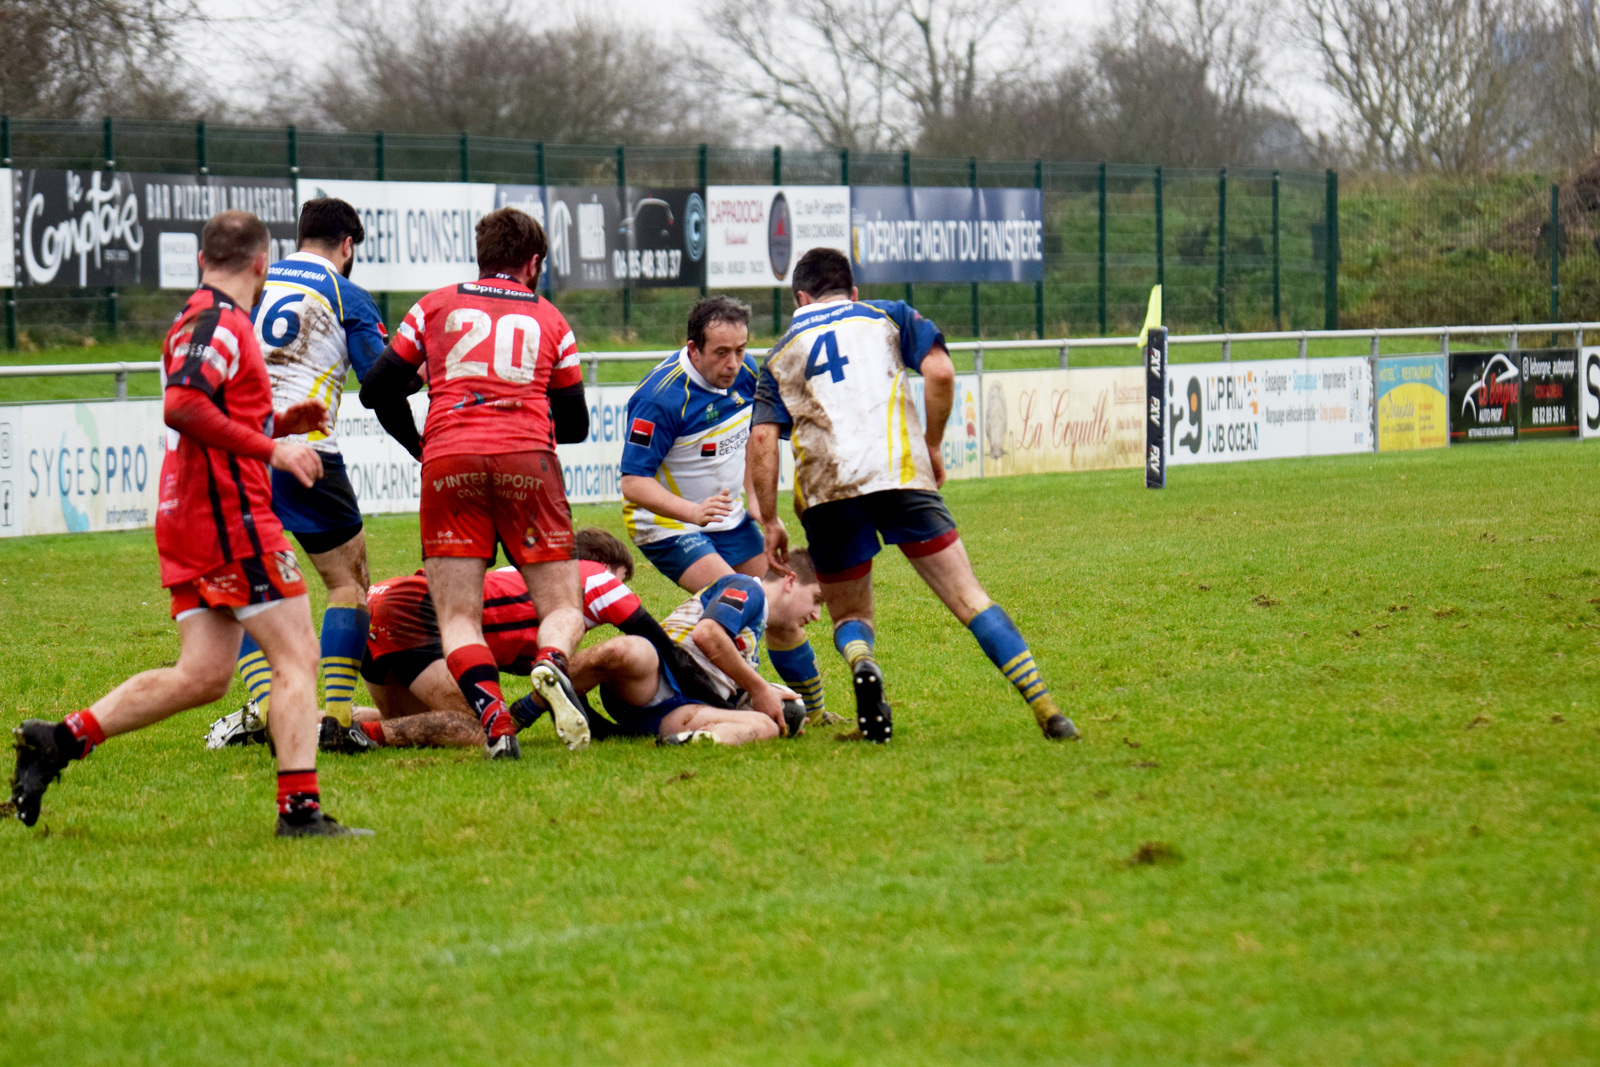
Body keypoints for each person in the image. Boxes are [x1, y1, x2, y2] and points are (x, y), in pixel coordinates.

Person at [8, 211, 371, 837]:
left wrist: (279, 424)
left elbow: (209, 410)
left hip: (190, 517)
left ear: (203, 259)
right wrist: (274, 449)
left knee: (202, 674)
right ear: (261, 263)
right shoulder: (220, 323)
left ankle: (58, 741)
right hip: (228, 517)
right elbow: (182, 406)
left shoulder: (196, 317)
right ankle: (299, 811)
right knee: (297, 656)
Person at [748, 247, 1080, 744]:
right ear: (852, 291)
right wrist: (932, 444)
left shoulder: (778, 355)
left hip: (827, 490)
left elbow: (761, 440)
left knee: (851, 615)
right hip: (902, 476)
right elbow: (941, 373)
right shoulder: (889, 315)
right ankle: (1046, 707)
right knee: (970, 598)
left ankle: (863, 662)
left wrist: (771, 519)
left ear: (800, 298)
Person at [358, 207, 590, 760]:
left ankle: (496, 724)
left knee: (458, 617)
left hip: (449, 459)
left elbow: (375, 391)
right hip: (527, 460)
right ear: (534, 263)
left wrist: (422, 439)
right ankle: (550, 663)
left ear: (481, 257)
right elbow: (576, 425)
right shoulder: (551, 318)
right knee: (562, 605)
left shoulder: (434, 306)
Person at [227, 197, 398, 750]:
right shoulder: (346, 294)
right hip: (307, 453)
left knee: (250, 582)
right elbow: (379, 384)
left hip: (243, 449)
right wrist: (421, 439)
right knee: (348, 583)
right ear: (348, 245)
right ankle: (338, 720)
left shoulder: (254, 286)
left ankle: (265, 709)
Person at [619, 295, 829, 724]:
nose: (733, 363)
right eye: (721, 352)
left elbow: (754, 437)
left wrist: (758, 504)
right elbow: (633, 483)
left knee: (780, 603)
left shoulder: (749, 373)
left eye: (740, 349)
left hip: (727, 517)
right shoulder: (660, 398)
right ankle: (741, 702)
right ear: (693, 348)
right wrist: (691, 512)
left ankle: (817, 712)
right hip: (669, 525)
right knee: (741, 601)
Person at [567, 550, 824, 746]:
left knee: (765, 726)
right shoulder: (747, 588)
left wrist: (782, 711)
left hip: (675, 710)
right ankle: (551, 689)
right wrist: (760, 688)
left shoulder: (756, 628)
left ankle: (687, 740)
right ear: (790, 581)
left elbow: (720, 678)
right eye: (816, 599)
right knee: (627, 649)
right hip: (652, 676)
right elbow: (707, 634)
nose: (816, 615)